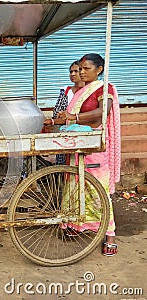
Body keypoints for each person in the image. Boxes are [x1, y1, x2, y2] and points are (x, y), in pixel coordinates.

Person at [57, 53, 121, 256]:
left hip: (95, 148)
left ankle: (110, 235)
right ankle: (78, 225)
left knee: (96, 191)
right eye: (80, 68)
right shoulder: (81, 91)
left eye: (86, 68)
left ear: (99, 70)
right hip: (78, 146)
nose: (82, 72)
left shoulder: (104, 88)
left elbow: (104, 111)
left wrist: (74, 116)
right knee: (76, 187)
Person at [44, 60, 85, 164]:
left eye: (76, 71)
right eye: (70, 71)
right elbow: (57, 113)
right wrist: (53, 121)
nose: (72, 74)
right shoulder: (66, 91)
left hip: (85, 133)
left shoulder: (91, 91)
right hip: (66, 132)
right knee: (64, 165)